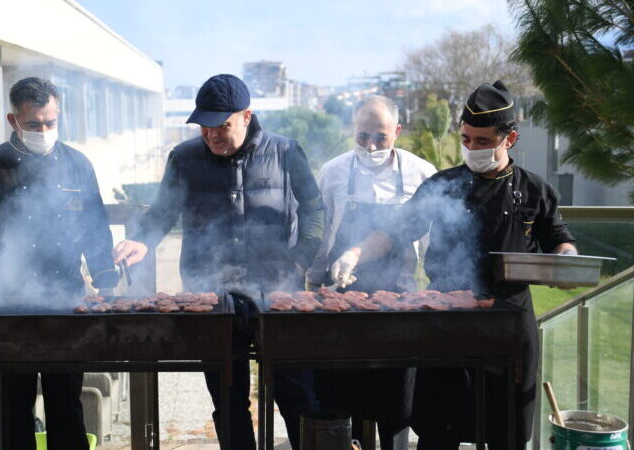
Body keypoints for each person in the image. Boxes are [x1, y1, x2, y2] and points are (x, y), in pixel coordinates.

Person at [347, 80, 577, 449]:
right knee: (439, 429)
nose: (471, 148)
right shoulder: (444, 184)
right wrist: (356, 252)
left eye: (482, 142)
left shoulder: (536, 190)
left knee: (508, 429)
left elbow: (559, 238)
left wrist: (567, 260)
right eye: (466, 139)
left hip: (509, 320)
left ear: (510, 140)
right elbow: (397, 230)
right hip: (446, 318)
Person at [113, 74, 324, 449]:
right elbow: (162, 211)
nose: (211, 136)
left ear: (246, 116)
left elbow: (314, 209)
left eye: (221, 126)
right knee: (228, 398)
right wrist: (143, 241)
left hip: (278, 290)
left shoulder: (286, 151)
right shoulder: (184, 158)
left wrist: (300, 261)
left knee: (296, 393)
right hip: (212, 295)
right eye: (204, 127)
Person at [0, 77, 118, 450]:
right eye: (33, 124)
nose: (44, 131)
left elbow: (95, 227)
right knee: (13, 405)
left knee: (66, 403)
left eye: (50, 123)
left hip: (66, 299)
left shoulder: (77, 164)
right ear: (13, 121)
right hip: (7, 304)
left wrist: (106, 283)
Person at [306, 95, 436, 449]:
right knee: (341, 390)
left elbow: (430, 242)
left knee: (395, 397)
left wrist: (438, 287)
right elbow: (324, 235)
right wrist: (315, 282)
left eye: (380, 136)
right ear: (353, 131)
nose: (371, 145)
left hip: (399, 300)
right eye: (363, 136)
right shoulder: (333, 171)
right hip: (341, 297)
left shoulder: (421, 173)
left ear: (397, 130)